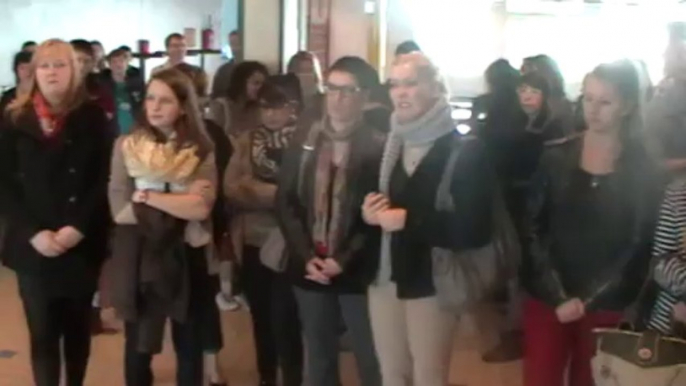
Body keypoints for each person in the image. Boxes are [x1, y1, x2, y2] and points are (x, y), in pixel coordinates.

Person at [523, 60, 661, 386]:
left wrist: (588, 300)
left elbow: (639, 244)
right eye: (588, 99)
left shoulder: (643, 170)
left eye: (605, 102)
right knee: (541, 378)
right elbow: (531, 228)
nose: (593, 110)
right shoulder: (555, 156)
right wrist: (556, 294)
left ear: (626, 106)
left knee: (594, 380)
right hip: (549, 294)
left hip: (607, 302)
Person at [363, 52, 494, 386]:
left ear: (435, 88)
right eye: (395, 84)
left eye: (411, 83)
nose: (401, 93)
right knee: (392, 373)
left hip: (432, 278)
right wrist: (368, 212)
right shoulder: (390, 143)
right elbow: (375, 201)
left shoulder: (463, 150)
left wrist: (409, 219)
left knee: (428, 375)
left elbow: (472, 229)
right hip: (385, 275)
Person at [0, 39, 113, 386]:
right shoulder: (14, 117)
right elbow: (4, 185)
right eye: (45, 65)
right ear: (34, 72)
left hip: (79, 240)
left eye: (60, 65)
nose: (52, 72)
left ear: (74, 71)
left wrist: (77, 227)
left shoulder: (92, 116)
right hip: (33, 243)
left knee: (77, 334)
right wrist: (33, 233)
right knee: (43, 335)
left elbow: (104, 178)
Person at [277, 57, 384, 386]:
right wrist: (306, 256)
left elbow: (375, 216)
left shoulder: (379, 147)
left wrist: (342, 260)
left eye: (348, 90)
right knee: (319, 356)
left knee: (371, 358)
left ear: (365, 97)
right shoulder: (306, 140)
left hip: (359, 269)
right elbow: (286, 202)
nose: (337, 98)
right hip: (310, 264)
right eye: (332, 89)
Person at [108, 68, 217, 386]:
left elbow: (200, 208)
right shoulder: (125, 147)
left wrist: (146, 195)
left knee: (189, 343)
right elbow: (120, 210)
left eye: (165, 101)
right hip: (140, 253)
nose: (154, 107)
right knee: (138, 345)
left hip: (188, 251)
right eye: (151, 98)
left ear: (184, 107)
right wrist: (177, 198)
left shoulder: (201, 150)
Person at [226, 74, 304, 386]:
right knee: (260, 316)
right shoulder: (248, 140)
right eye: (264, 107)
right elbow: (232, 186)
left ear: (293, 108)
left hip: (292, 240)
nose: (270, 114)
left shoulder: (305, 141)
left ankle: (294, 377)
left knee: (287, 317)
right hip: (254, 239)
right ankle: (266, 376)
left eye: (277, 106)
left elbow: (306, 192)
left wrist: (256, 190)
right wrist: (275, 195)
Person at [175, 62, 233, 386]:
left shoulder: (212, 134)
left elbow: (222, 190)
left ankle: (210, 363)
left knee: (203, 301)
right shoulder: (157, 134)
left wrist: (222, 229)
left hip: (207, 226)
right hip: (172, 230)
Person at [208, 61, 268, 139]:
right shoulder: (221, 106)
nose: (260, 88)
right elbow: (211, 139)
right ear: (241, 83)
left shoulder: (259, 107)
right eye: (256, 83)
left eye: (263, 84)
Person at [100, 48, 145, 135]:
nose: (118, 65)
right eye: (114, 62)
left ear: (127, 63)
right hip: (111, 131)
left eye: (121, 61)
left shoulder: (137, 84)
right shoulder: (102, 85)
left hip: (136, 130)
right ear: (109, 65)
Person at [70, 39, 116, 122]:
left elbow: (108, 115)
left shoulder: (99, 88)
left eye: (86, 61)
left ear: (92, 63)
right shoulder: (56, 85)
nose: (82, 65)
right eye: (78, 60)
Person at [286, 51, 325, 117]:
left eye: (309, 71)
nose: (306, 76)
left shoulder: (324, 101)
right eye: (301, 71)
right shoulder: (285, 101)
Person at [0, 51, 33, 119]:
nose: (27, 72)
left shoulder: (44, 94)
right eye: (22, 68)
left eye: (31, 68)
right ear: (16, 70)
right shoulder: (7, 96)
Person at [211, 30, 243, 99]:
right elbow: (215, 96)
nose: (234, 48)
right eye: (232, 44)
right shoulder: (224, 70)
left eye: (237, 43)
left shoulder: (255, 69)